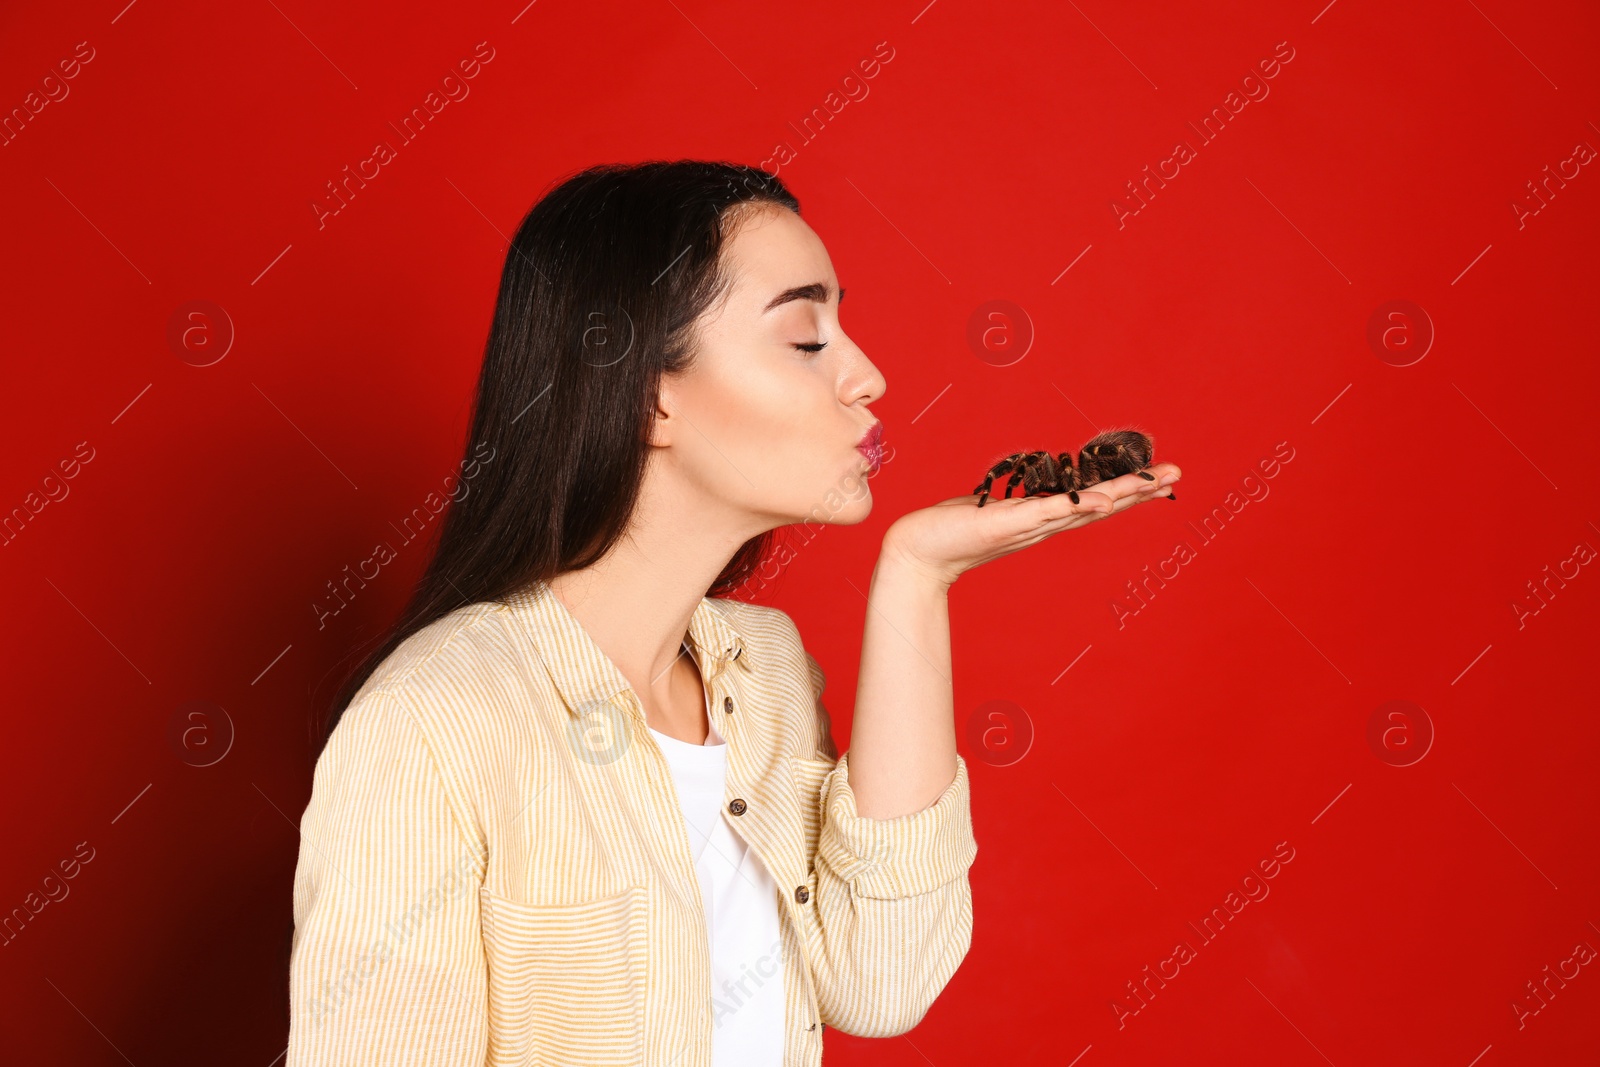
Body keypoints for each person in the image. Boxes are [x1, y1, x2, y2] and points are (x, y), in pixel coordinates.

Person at [285, 159, 1180, 1067]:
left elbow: (885, 979)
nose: (866, 376)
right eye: (805, 338)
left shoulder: (768, 667)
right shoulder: (433, 722)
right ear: (649, 397)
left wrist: (916, 575)